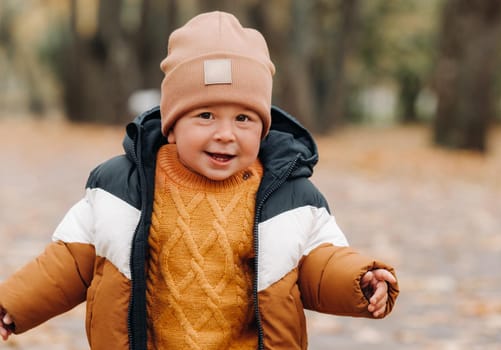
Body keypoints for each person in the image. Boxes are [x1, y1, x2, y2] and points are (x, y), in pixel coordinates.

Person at [0, 11, 399, 349]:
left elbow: (319, 262)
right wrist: (11, 304)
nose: (225, 133)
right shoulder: (123, 187)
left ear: (262, 129)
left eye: (243, 118)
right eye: (205, 116)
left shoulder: (289, 195)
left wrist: (359, 280)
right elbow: (69, 259)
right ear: (172, 126)